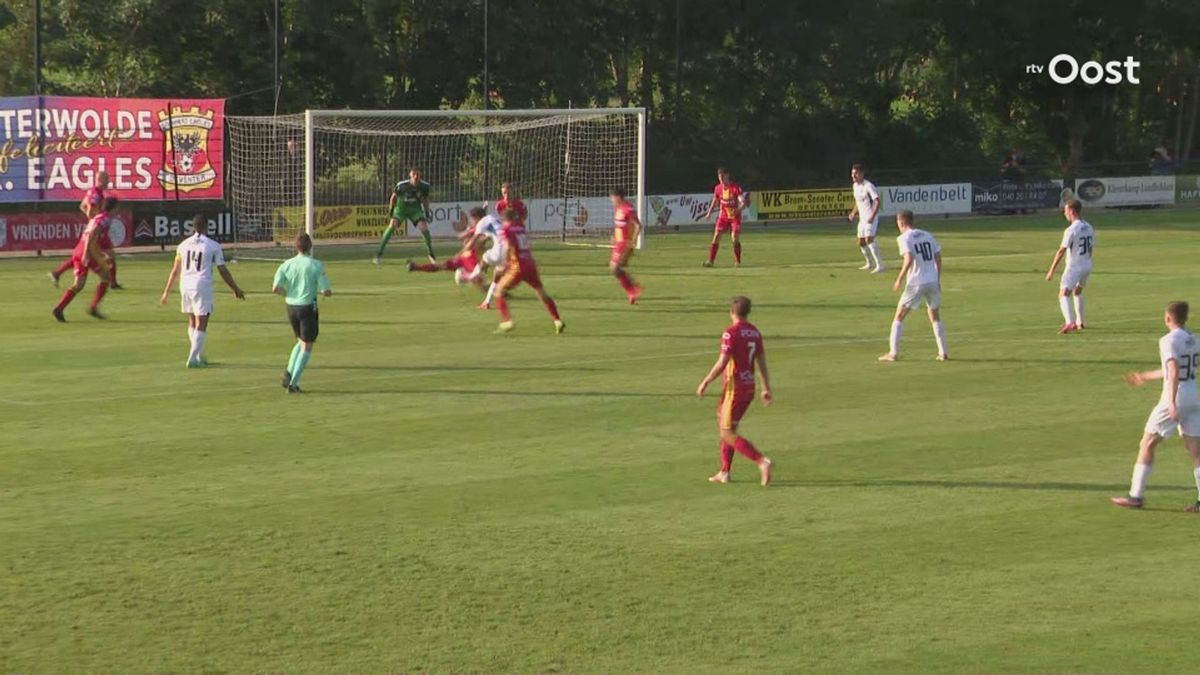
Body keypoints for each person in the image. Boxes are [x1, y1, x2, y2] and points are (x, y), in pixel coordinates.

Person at [1112, 301, 1200, 511]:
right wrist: (1145, 376)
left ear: (1168, 318)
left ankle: (1136, 496)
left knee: (1148, 442)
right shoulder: (1195, 339)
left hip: (1176, 395)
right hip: (1193, 395)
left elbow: (1172, 370)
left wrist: (1171, 402)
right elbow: (1178, 369)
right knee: (1196, 450)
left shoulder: (1167, 341)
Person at [696, 296, 774, 486]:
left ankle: (761, 461)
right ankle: (725, 472)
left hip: (735, 388)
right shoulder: (755, 333)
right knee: (726, 424)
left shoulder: (730, 333)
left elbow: (723, 362)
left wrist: (706, 381)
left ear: (732, 312)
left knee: (727, 432)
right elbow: (761, 361)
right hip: (749, 387)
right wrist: (765, 387)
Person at [158, 214, 246, 367]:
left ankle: (199, 355)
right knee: (202, 322)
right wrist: (236, 289)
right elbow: (222, 270)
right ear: (207, 226)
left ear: (193, 227)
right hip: (202, 284)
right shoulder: (213, 245)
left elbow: (175, 270)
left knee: (192, 320)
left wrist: (166, 292)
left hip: (185, 284)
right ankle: (192, 357)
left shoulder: (183, 245)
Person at [878, 210, 948, 362]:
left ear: (901, 222)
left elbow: (908, 259)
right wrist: (937, 279)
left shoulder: (904, 238)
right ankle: (943, 352)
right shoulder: (927, 235)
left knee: (899, 316)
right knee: (935, 314)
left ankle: (893, 353)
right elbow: (938, 257)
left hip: (916, 281)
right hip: (932, 280)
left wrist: (899, 279)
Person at [273, 233, 333, 393]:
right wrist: (325, 292)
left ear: (296, 247)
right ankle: (294, 384)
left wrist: (287, 294)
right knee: (307, 345)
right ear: (310, 247)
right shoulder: (316, 265)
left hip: (291, 307)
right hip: (307, 307)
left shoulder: (286, 264)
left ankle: (289, 372)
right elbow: (326, 290)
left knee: (300, 341)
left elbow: (276, 288)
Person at [493, 208, 564, 334]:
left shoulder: (506, 230)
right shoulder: (521, 229)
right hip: (530, 264)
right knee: (542, 293)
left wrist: (504, 264)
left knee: (498, 291)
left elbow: (508, 246)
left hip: (518, 266)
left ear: (504, 220)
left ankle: (507, 321)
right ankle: (557, 320)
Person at [52, 196, 118, 322]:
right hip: (86, 252)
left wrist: (102, 253)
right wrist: (87, 254)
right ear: (113, 209)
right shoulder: (104, 220)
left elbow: (95, 237)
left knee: (79, 284)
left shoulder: (98, 217)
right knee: (105, 277)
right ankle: (92, 307)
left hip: (80, 249)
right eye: (117, 209)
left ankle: (59, 309)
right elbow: (92, 234)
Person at [50, 171, 120, 289]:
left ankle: (57, 272)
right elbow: (88, 210)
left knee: (84, 255)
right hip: (97, 229)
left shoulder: (93, 191)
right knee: (107, 255)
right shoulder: (96, 193)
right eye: (107, 179)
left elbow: (82, 205)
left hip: (96, 227)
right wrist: (97, 219)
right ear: (100, 180)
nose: (109, 181)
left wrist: (94, 219)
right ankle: (112, 282)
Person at [1045, 198, 1094, 334]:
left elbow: (1062, 250)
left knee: (1063, 294)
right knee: (1077, 291)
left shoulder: (1071, 230)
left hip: (1075, 266)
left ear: (1072, 211)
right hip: (1087, 264)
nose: (1064, 213)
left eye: (1065, 210)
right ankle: (1080, 321)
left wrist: (1051, 270)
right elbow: (1090, 248)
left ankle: (1070, 322)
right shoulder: (1089, 226)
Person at [376, 167, 435, 264]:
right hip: (401, 209)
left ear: (420, 176)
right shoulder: (402, 185)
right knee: (393, 224)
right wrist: (391, 210)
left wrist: (427, 212)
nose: (416, 177)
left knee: (423, 227)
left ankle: (430, 252)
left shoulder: (424, 186)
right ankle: (379, 253)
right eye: (414, 174)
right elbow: (393, 197)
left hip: (415, 210)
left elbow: (425, 200)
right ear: (410, 175)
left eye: (418, 175)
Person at [702, 168, 748, 267]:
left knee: (734, 238)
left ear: (727, 176)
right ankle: (710, 261)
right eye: (719, 177)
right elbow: (715, 200)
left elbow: (743, 203)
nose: (721, 179)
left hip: (735, 217)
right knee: (716, 236)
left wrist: (737, 210)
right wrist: (709, 212)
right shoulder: (718, 188)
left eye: (723, 176)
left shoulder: (735, 188)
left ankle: (738, 261)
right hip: (723, 216)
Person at [466, 206, 507, 309]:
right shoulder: (493, 217)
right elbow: (490, 235)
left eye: (472, 219)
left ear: (476, 217)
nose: (472, 222)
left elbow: (474, 240)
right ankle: (487, 302)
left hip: (500, 248)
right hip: (510, 249)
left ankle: (470, 277)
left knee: (484, 258)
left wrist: (462, 251)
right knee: (496, 278)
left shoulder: (481, 223)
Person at [848, 163, 883, 273]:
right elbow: (858, 202)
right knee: (861, 242)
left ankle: (880, 265)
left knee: (869, 239)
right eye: (852, 174)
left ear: (861, 173)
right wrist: (853, 213)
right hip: (862, 218)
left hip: (870, 217)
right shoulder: (855, 186)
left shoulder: (869, 186)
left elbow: (877, 201)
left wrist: (872, 216)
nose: (853, 176)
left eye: (855, 174)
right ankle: (870, 263)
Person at [610, 188, 643, 304]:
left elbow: (638, 225)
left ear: (618, 197)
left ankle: (633, 290)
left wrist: (633, 241)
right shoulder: (618, 208)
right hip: (619, 243)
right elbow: (620, 225)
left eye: (613, 197)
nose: (612, 200)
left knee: (615, 268)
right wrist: (614, 236)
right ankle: (633, 289)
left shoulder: (628, 208)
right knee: (616, 269)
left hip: (625, 243)